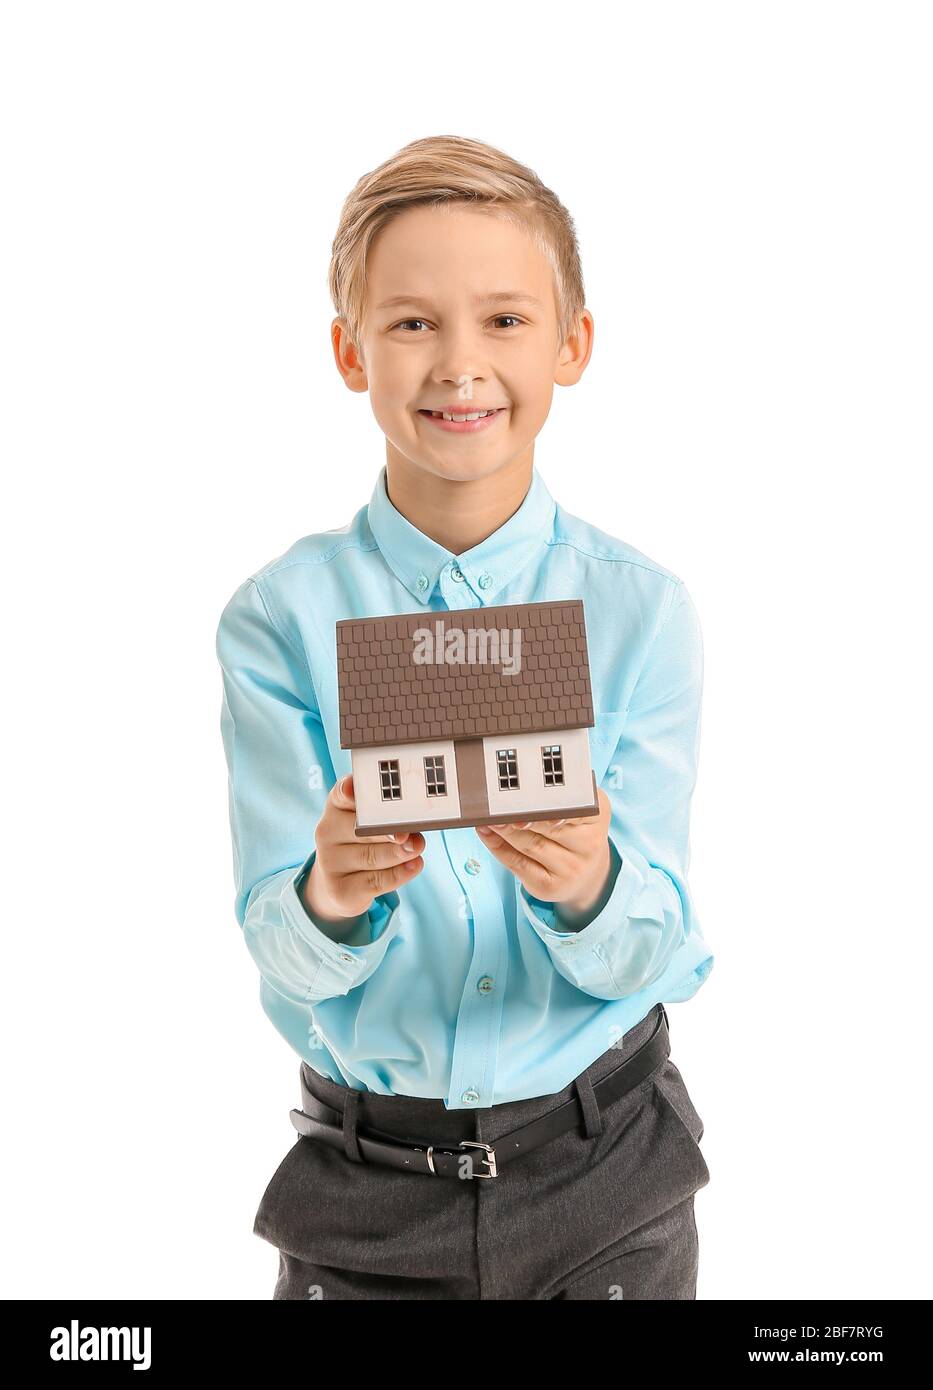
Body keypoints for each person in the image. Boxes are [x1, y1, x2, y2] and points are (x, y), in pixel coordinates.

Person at [215, 134, 714, 1300]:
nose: (459, 367)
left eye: (503, 320)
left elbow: (670, 947)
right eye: (410, 323)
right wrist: (329, 895)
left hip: (609, 1173)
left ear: (572, 344)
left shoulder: (641, 614)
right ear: (350, 351)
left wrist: (590, 881)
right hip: (366, 1191)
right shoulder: (278, 621)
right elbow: (276, 951)